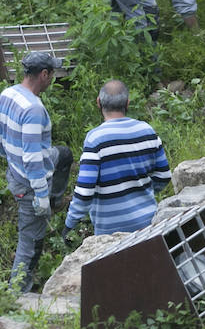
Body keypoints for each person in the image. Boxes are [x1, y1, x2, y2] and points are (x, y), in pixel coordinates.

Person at [0, 51, 73, 292]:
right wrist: (39, 195)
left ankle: (56, 198)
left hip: (16, 172)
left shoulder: (8, 94)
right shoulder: (34, 110)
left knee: (64, 155)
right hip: (29, 184)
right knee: (30, 244)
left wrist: (11, 161)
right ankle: (17, 294)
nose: (54, 79)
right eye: (52, 74)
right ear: (44, 75)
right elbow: (32, 158)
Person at [62, 79, 172, 239]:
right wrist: (142, 191)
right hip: (148, 224)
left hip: (110, 233)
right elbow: (164, 176)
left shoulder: (95, 139)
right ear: (127, 103)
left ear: (98, 103)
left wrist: (69, 224)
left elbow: (85, 192)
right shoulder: (147, 130)